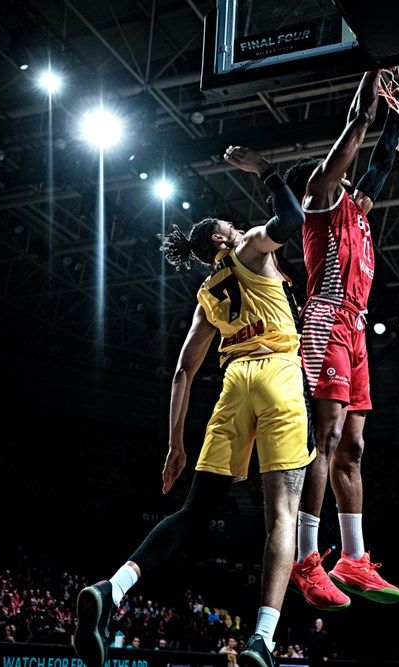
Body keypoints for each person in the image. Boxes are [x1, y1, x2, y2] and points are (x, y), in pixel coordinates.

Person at [73, 145, 313, 667]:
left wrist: (173, 445)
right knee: (281, 516)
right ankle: (262, 640)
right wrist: (267, 172)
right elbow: (292, 217)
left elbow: (183, 371)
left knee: (194, 511)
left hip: (233, 385)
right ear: (221, 237)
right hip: (277, 373)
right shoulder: (251, 247)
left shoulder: (207, 295)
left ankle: (112, 588)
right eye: (230, 222)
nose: (238, 222)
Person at [282, 71, 399, 610]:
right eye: (336, 173)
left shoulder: (358, 210)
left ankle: (353, 559)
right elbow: (359, 127)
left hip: (356, 327)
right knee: (327, 440)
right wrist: (374, 77)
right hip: (324, 321)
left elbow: (380, 164)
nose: (351, 181)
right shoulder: (319, 202)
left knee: (353, 448)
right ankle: (307, 560)